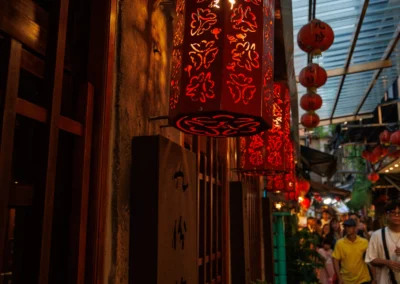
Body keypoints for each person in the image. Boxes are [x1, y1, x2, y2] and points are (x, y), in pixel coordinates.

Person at [365, 200, 400, 284]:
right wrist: (386, 262)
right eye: (392, 212)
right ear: (386, 215)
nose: (397, 216)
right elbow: (370, 258)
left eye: (399, 213)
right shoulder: (377, 235)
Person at [332, 218, 372, 284]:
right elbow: (335, 260)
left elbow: (370, 260)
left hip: (363, 279)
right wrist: (339, 277)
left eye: (349, 226)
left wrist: (374, 278)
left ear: (355, 228)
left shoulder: (364, 242)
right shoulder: (340, 243)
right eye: (345, 227)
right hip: (346, 280)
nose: (347, 228)